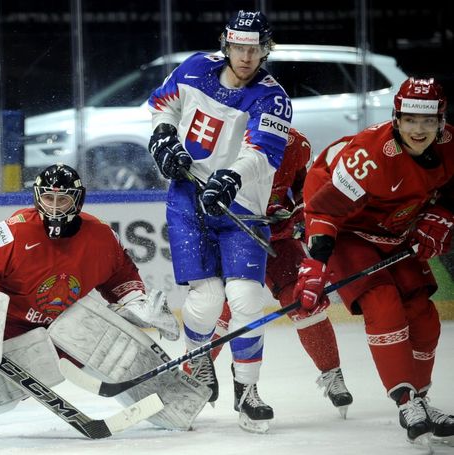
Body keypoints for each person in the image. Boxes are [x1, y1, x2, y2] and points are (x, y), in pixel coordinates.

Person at [0, 164, 210, 440]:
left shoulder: (100, 237)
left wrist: (137, 302)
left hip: (62, 329)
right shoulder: (13, 233)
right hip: (9, 329)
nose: (53, 205)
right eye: (47, 197)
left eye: (61, 199)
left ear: (77, 200)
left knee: (89, 327)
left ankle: (178, 402)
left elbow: (120, 277)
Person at [147, 10, 292, 433]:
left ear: (266, 49)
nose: (246, 57)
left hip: (241, 207)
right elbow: (162, 106)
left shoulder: (273, 96)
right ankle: (197, 365)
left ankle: (247, 390)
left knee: (246, 299)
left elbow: (265, 152)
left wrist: (230, 178)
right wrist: (163, 139)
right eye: (239, 47)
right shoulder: (194, 68)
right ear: (226, 45)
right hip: (187, 202)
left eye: (255, 48)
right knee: (208, 300)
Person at [295, 77, 454, 445]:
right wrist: (316, 264)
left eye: (428, 121)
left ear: (441, 122)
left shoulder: (450, 146)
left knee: (424, 315)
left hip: (394, 232)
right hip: (348, 231)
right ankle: (405, 400)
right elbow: (325, 210)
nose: (419, 130)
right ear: (396, 118)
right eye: (410, 120)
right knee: (382, 302)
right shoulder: (370, 156)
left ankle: (421, 398)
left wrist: (443, 214)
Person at [208, 128, 353, 417]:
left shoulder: (297, 145)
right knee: (221, 308)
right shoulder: (223, 140)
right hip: (232, 239)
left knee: (305, 299)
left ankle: (331, 371)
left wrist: (296, 211)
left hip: (278, 238)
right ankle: (193, 375)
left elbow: (306, 188)